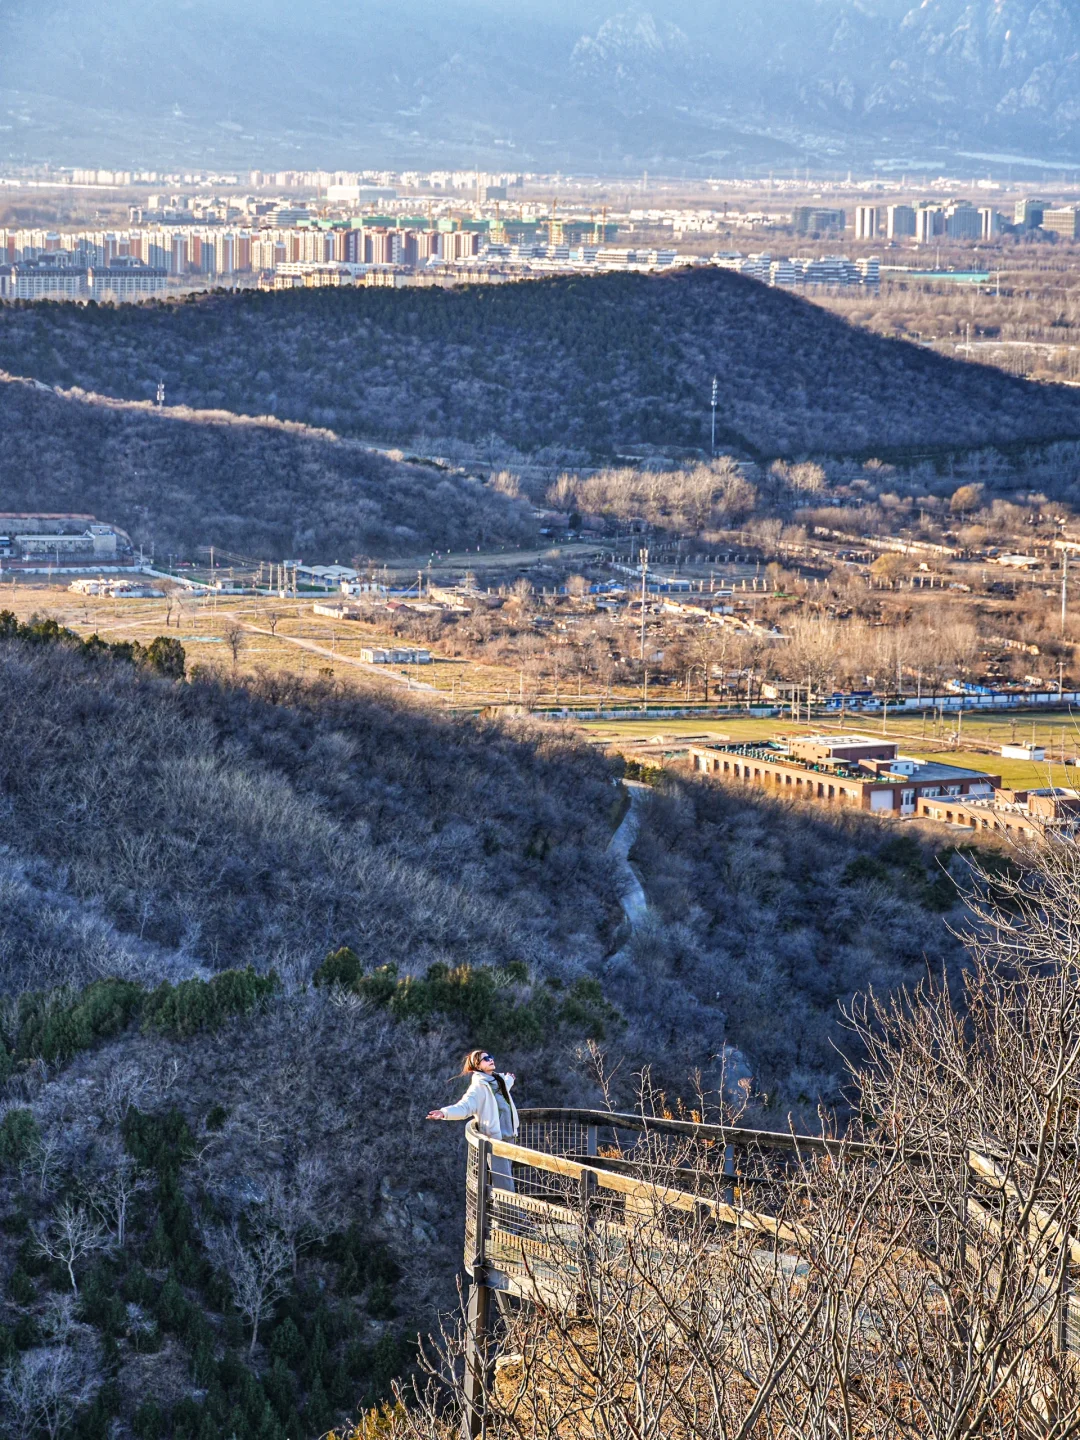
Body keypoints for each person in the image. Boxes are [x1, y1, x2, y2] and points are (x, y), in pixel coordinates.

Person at [428, 1049, 519, 1191]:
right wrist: (444, 1112)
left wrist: (510, 1079)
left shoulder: (498, 1081)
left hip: (510, 1138)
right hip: (496, 1142)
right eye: (485, 1059)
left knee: (504, 1184)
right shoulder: (478, 1087)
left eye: (490, 1056)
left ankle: (501, 1211)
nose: (490, 1059)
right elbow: (464, 1107)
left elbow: (504, 1087)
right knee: (505, 1188)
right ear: (477, 1066)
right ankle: (516, 1214)